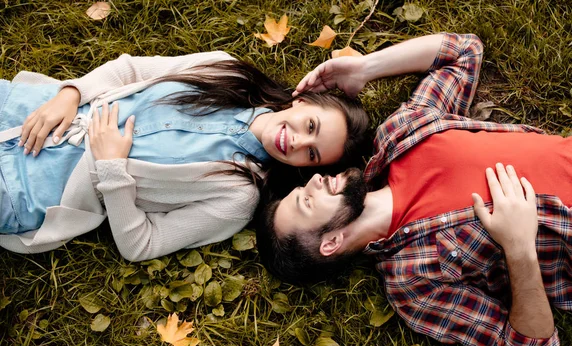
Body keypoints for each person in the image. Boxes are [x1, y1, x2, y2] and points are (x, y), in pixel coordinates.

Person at [255, 32, 572, 346]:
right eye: (306, 201)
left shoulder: (400, 134)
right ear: (330, 243)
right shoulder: (413, 283)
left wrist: (365, 68)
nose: (314, 180)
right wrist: (520, 248)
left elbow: (464, 51)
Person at [0, 51, 369, 260]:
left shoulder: (236, 197)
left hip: (28, 191)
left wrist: (112, 171)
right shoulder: (226, 70)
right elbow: (131, 69)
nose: (298, 143)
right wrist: (71, 93)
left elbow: (142, 244)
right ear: (301, 101)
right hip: (26, 109)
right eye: (310, 126)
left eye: (312, 154)